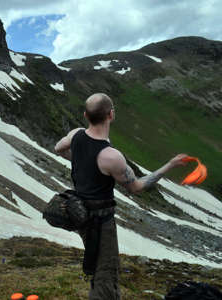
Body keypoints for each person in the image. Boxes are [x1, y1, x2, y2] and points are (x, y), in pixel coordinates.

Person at [54, 93, 187, 300]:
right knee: (106, 274)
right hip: (101, 221)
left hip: (79, 213)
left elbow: (58, 148)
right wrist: (170, 165)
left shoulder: (76, 134)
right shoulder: (111, 156)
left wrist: (80, 161)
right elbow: (137, 187)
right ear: (111, 115)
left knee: (96, 262)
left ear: (85, 115)